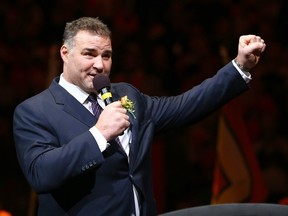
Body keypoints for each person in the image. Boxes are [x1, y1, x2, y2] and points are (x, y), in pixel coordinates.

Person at [13, 17, 266, 216]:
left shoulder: (126, 95)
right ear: (65, 54)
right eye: (89, 54)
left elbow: (185, 106)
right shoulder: (34, 111)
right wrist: (98, 135)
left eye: (106, 55)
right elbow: (41, 174)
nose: (100, 65)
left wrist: (239, 66)